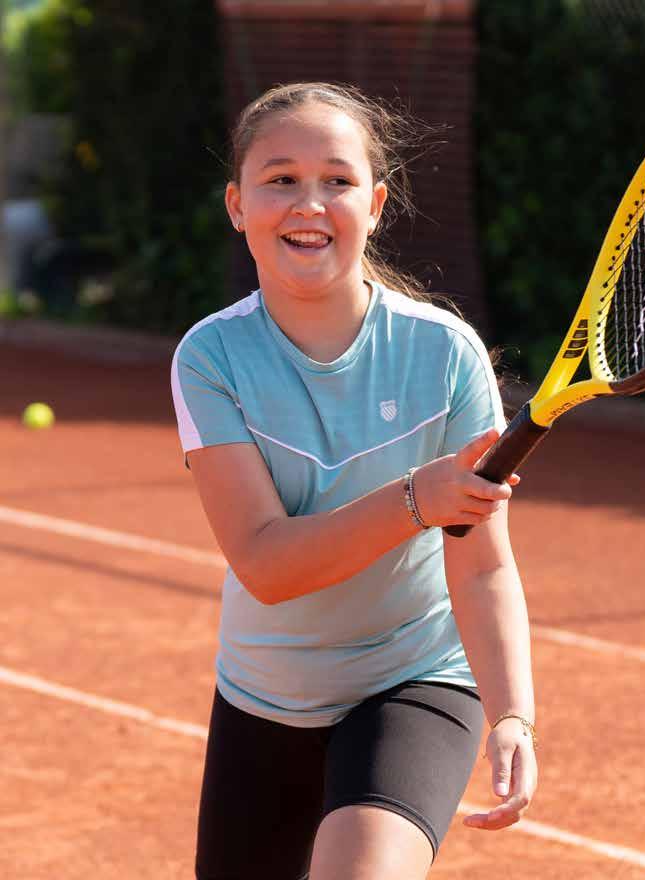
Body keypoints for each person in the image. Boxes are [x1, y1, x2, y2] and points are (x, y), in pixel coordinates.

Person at [170, 81, 537, 880]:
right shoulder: (210, 358)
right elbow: (266, 564)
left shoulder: (445, 353)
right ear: (237, 205)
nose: (310, 203)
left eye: (337, 180)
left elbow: (480, 564)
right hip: (266, 695)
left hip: (413, 680)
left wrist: (513, 713)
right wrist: (415, 501)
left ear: (374, 205)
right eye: (281, 178)